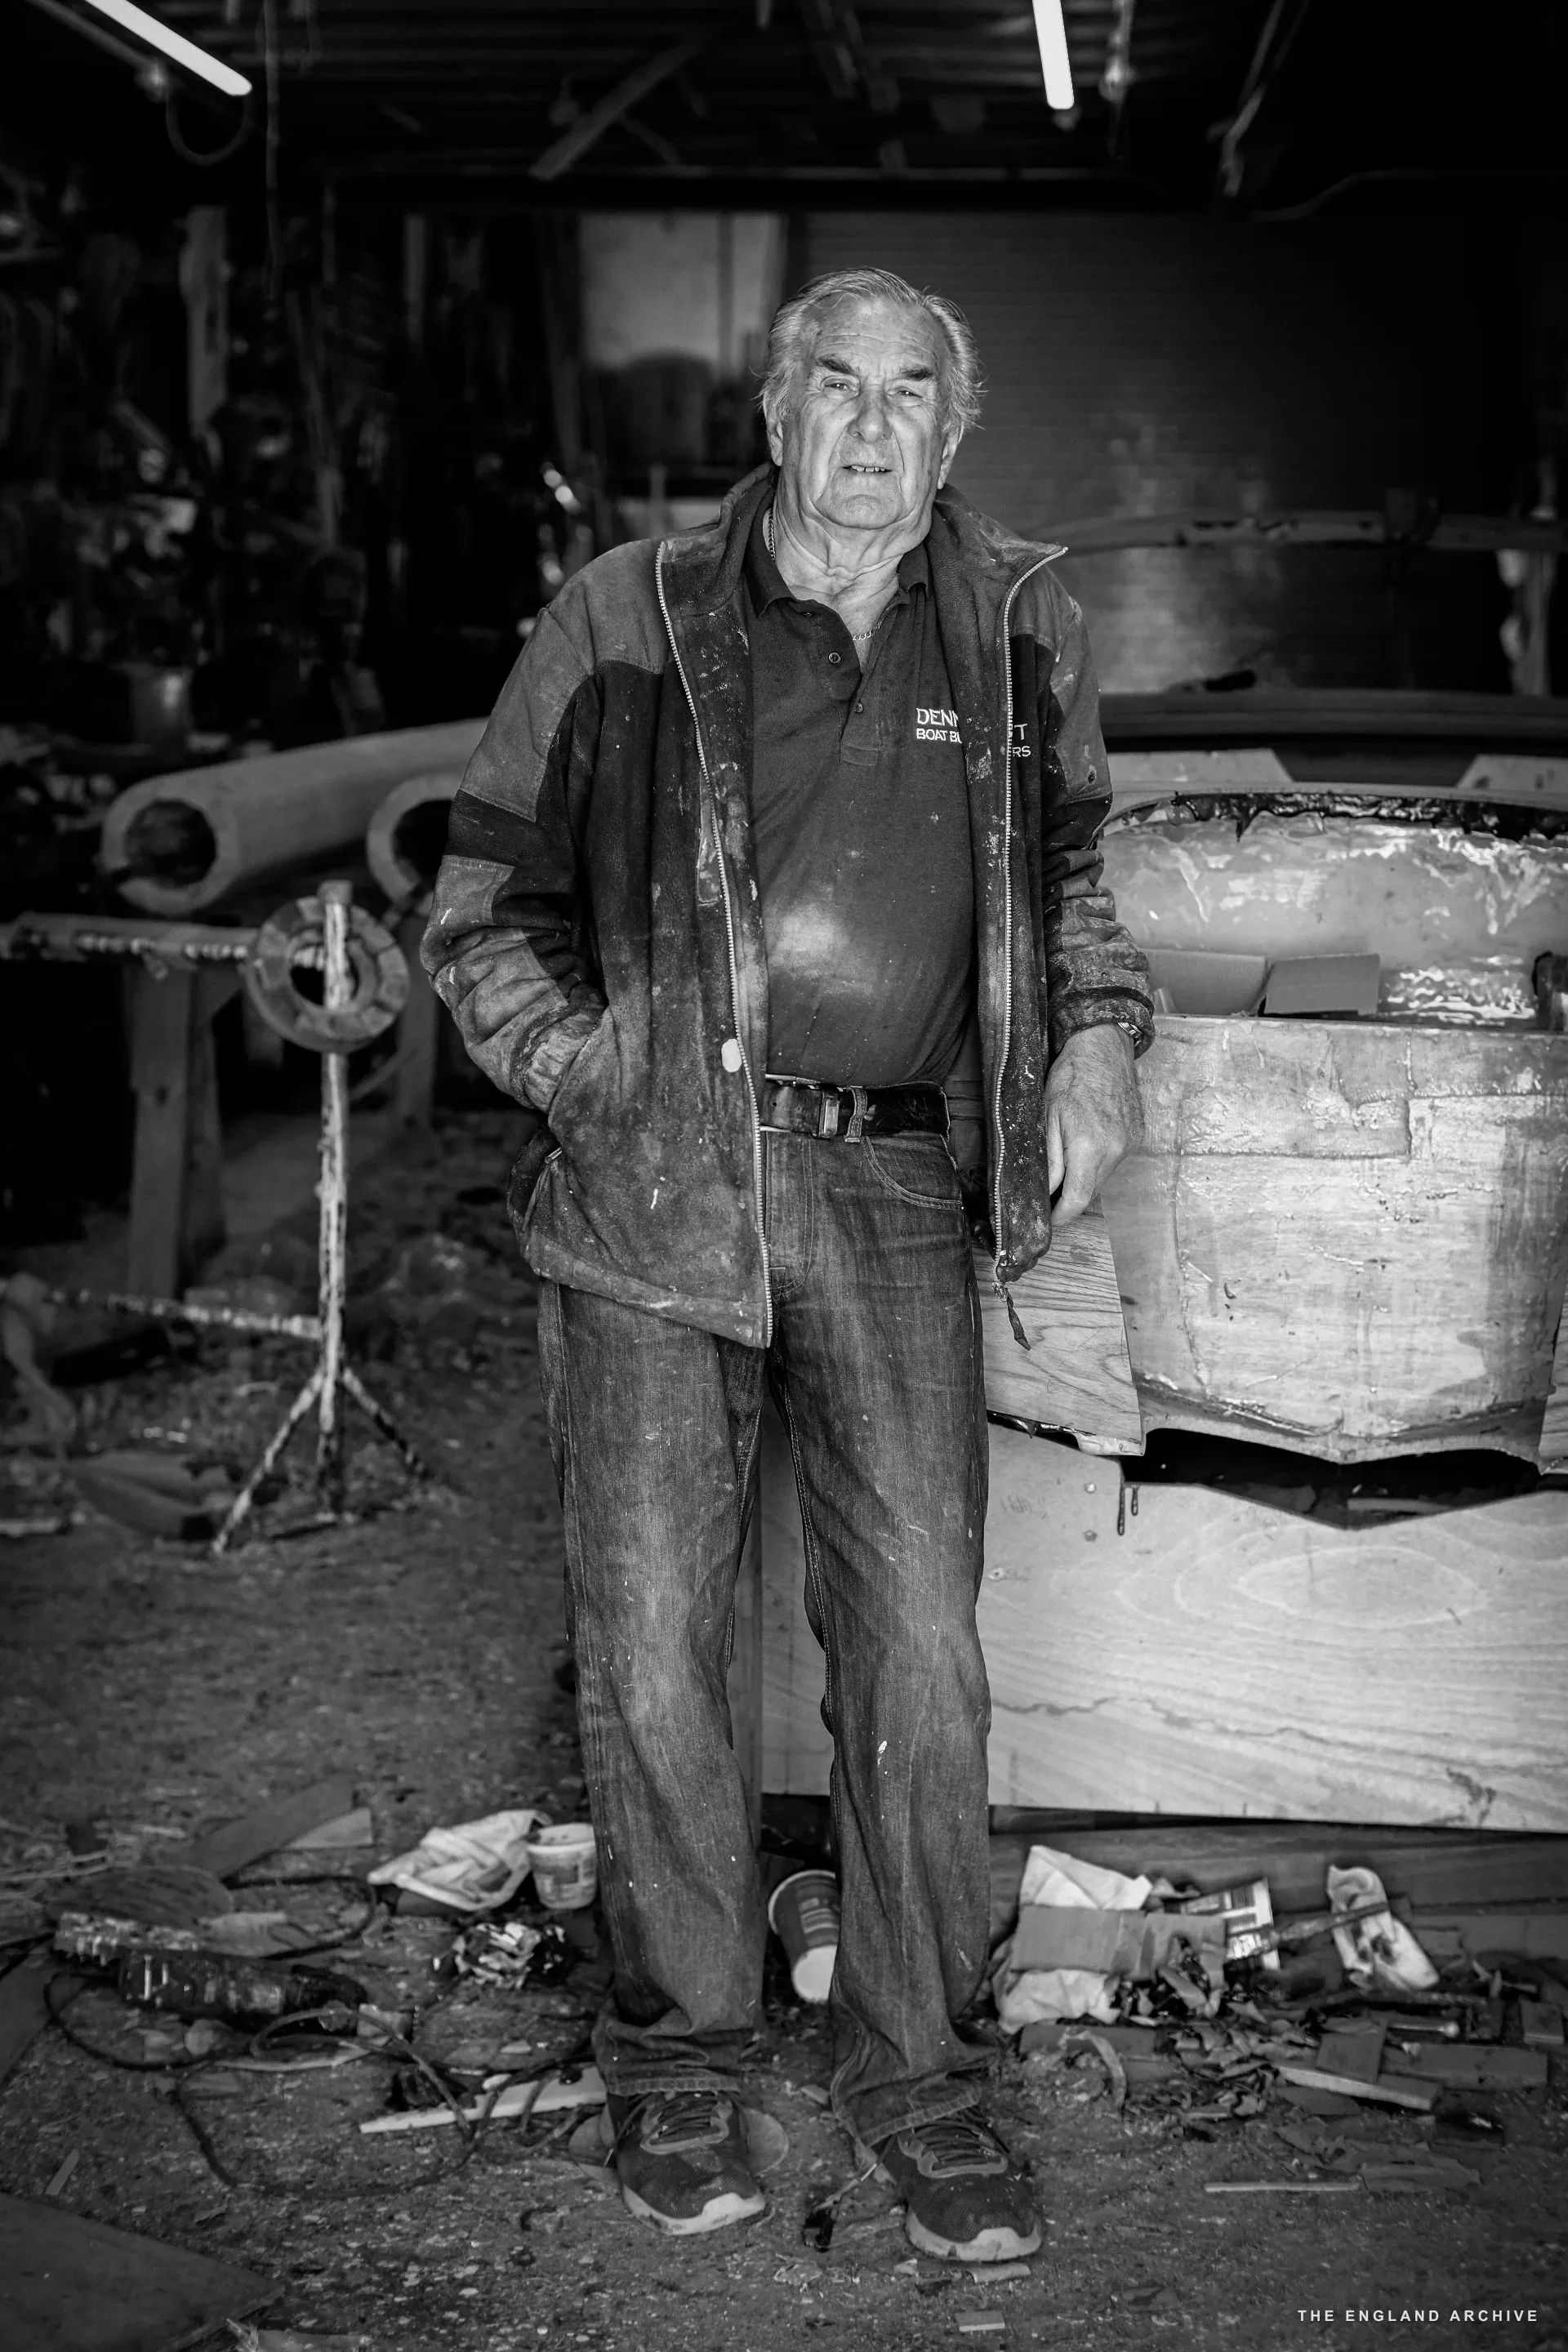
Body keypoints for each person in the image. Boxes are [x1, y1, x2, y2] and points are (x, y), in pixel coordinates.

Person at [423, 265, 1152, 2263]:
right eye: (838, 383)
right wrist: (599, 1081)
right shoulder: (626, 612)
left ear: (953, 432)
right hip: (657, 1192)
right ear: (775, 411)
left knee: (918, 1646)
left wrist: (1095, 1047)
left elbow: (1076, 883)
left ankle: (921, 2079)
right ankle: (678, 2068)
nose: (873, 424)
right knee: (657, 1642)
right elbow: (482, 905)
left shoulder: (1017, 624)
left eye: (914, 392)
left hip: (898, 1183)